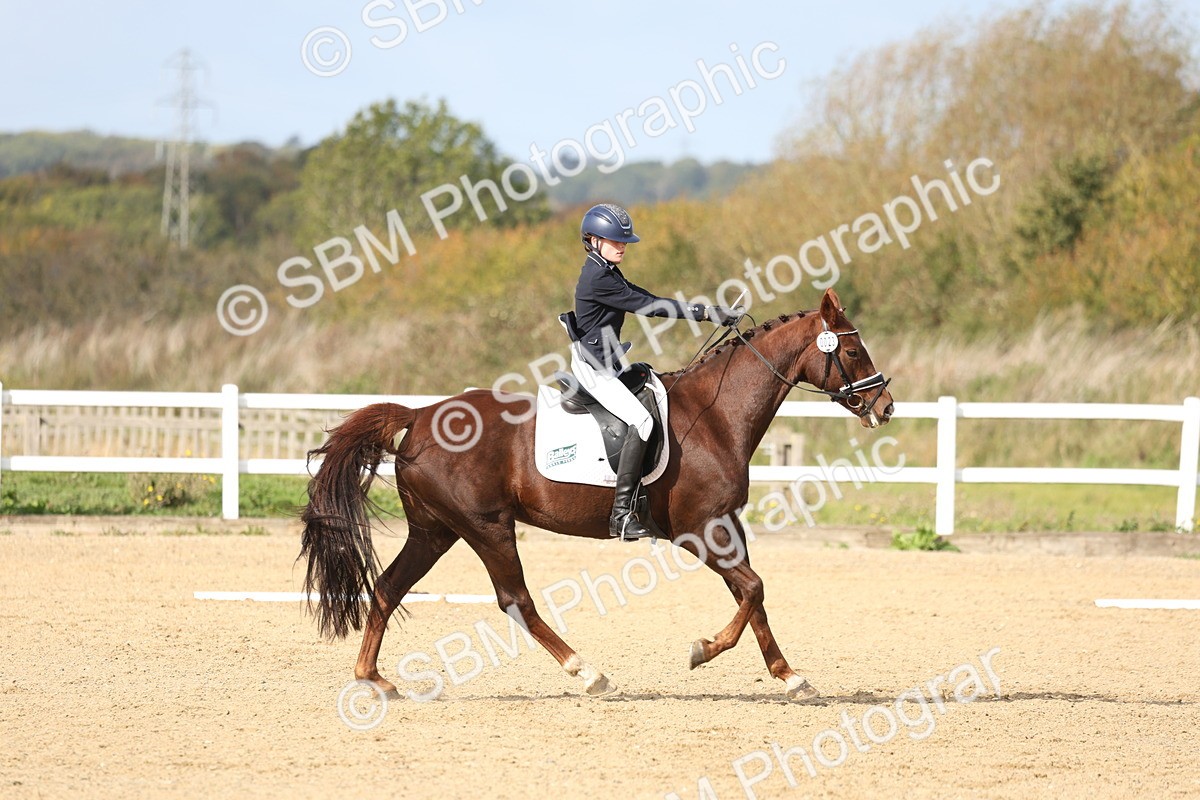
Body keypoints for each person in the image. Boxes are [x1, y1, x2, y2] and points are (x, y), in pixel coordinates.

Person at [563, 203, 738, 541]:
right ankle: (621, 514)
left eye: (624, 241)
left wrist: (707, 311)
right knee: (641, 422)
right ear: (593, 240)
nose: (622, 246)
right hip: (594, 368)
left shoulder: (606, 270)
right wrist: (704, 313)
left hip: (608, 360)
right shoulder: (598, 277)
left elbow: (643, 296)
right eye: (615, 241)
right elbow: (648, 306)